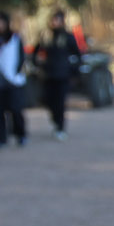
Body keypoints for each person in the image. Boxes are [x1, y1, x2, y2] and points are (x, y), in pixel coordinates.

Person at [0, 12, 28, 147]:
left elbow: (21, 57)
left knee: (16, 109)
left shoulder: (15, 38)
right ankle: (0, 139)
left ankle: (20, 134)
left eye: (1, 22)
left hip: (13, 81)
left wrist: (16, 72)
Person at [34, 10, 80, 140]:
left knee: (60, 102)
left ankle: (60, 127)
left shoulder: (68, 37)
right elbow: (36, 52)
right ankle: (55, 120)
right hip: (48, 75)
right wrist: (38, 64)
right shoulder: (46, 37)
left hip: (62, 76)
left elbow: (77, 55)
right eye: (53, 20)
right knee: (48, 100)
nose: (55, 23)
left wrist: (73, 71)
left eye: (58, 20)